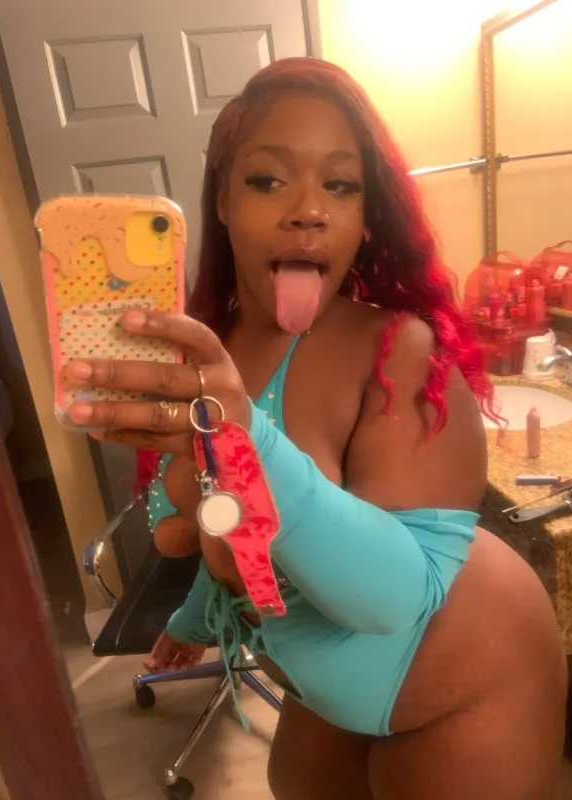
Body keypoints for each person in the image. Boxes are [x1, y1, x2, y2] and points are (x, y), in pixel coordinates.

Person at [65, 58, 566, 799]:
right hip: (321, 686)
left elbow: (394, 599)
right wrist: (195, 617)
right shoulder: (208, 355)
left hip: (466, 681)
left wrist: (247, 441)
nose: (309, 210)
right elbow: (221, 533)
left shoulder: (398, 352)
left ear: (366, 217)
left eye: (340, 185)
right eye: (268, 179)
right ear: (224, 198)